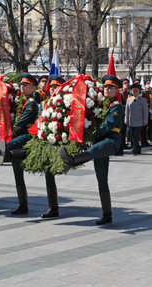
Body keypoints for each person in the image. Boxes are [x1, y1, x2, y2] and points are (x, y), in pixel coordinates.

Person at [59, 74, 124, 225]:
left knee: (93, 150)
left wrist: (88, 136)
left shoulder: (116, 106)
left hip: (111, 140)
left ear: (117, 90)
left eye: (111, 88)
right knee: (101, 179)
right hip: (99, 141)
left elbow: (107, 127)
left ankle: (73, 160)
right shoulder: (101, 104)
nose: (107, 90)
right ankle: (107, 215)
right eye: (106, 87)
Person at [0, 73, 41, 215]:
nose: (22, 87)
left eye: (26, 85)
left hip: (26, 135)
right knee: (17, 172)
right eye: (21, 85)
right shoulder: (20, 102)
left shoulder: (32, 104)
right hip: (15, 135)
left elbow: (20, 125)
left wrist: (7, 136)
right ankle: (22, 204)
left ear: (32, 87)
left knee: (8, 146)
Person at [125, 83, 148, 155]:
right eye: (133, 91)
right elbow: (127, 110)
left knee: (136, 136)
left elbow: (145, 111)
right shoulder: (129, 99)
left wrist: (145, 120)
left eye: (136, 91)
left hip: (139, 120)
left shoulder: (143, 100)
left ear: (139, 92)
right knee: (132, 136)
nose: (135, 93)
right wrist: (126, 118)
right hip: (131, 120)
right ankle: (137, 148)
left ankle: (134, 149)